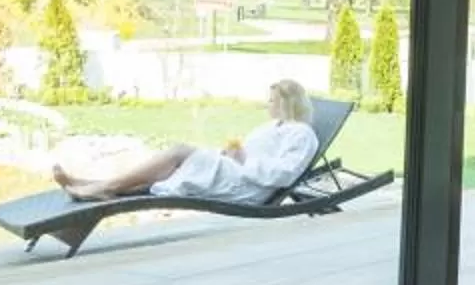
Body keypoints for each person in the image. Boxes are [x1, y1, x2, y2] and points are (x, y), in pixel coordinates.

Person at [52, 79, 321, 204]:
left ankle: (104, 186)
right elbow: (250, 155)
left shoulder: (302, 134)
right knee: (171, 168)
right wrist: (231, 154)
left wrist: (244, 159)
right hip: (235, 172)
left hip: (247, 186)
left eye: (272, 100)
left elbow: (285, 174)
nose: (268, 104)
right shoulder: (273, 126)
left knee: (179, 153)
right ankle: (92, 185)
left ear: (288, 102)